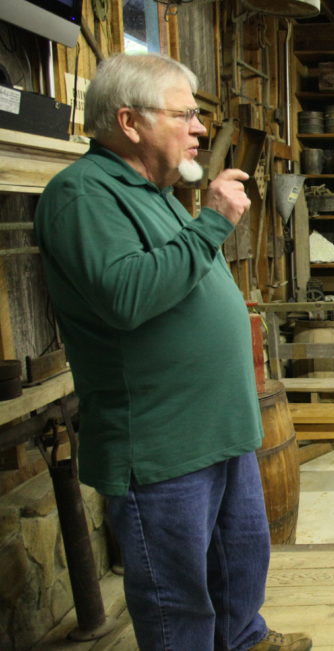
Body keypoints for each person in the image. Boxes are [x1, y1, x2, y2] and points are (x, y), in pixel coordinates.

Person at [35, 54, 309, 651]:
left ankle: (242, 640)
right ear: (130, 122)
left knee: (239, 562)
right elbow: (127, 297)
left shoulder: (153, 191)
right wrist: (211, 222)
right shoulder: (82, 195)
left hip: (219, 427)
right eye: (184, 114)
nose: (200, 127)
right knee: (175, 597)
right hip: (162, 443)